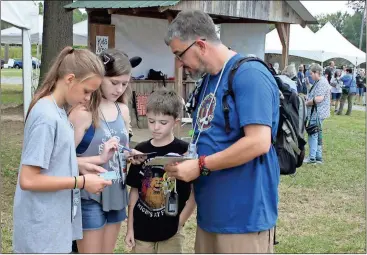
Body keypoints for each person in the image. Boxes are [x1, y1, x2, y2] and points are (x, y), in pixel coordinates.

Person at [164, 10, 280, 253]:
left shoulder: (250, 75)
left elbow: (259, 142)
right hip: (212, 217)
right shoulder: (208, 80)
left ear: (201, 45)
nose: (179, 63)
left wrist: (200, 165)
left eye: (179, 54)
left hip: (242, 220)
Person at [12, 46, 113, 253]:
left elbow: (52, 162)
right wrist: (82, 182)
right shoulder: (46, 118)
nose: (87, 98)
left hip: (53, 227)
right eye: (87, 91)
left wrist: (82, 166)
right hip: (41, 233)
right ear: (70, 79)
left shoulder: (57, 112)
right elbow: (29, 179)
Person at [68, 49, 143, 253]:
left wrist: (131, 154)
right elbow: (64, 160)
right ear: (100, 78)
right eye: (114, 82)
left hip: (116, 191)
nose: (119, 89)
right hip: (89, 194)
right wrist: (98, 158)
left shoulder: (123, 110)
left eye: (124, 84)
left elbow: (120, 150)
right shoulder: (82, 113)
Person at [125, 89, 196, 253]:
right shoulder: (141, 150)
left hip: (172, 231)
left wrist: (180, 222)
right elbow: (134, 190)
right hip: (141, 230)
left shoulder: (185, 151)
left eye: (163, 123)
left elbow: (194, 192)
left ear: (175, 122)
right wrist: (130, 228)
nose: (156, 127)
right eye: (151, 121)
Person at [303, 64, 330, 164]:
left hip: (317, 112)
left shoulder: (321, 82)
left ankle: (312, 157)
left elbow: (319, 98)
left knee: (313, 134)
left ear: (316, 73)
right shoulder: (319, 81)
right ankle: (318, 157)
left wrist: (306, 103)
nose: (310, 76)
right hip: (318, 112)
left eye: (311, 73)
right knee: (317, 134)